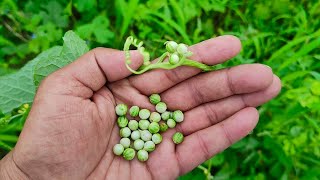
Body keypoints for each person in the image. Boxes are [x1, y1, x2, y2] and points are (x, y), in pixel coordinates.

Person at [0, 35, 281, 179]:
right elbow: (138, 125)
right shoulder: (136, 124)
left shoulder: (141, 124)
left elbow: (141, 125)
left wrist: (21, 176)